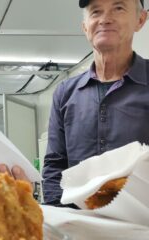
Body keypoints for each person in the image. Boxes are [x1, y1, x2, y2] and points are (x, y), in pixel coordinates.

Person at [42, 0, 148, 206]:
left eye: (118, 8)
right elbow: (55, 165)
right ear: (85, 27)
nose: (105, 19)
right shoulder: (65, 93)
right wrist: (61, 219)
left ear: (140, 19)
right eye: (96, 11)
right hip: (79, 229)